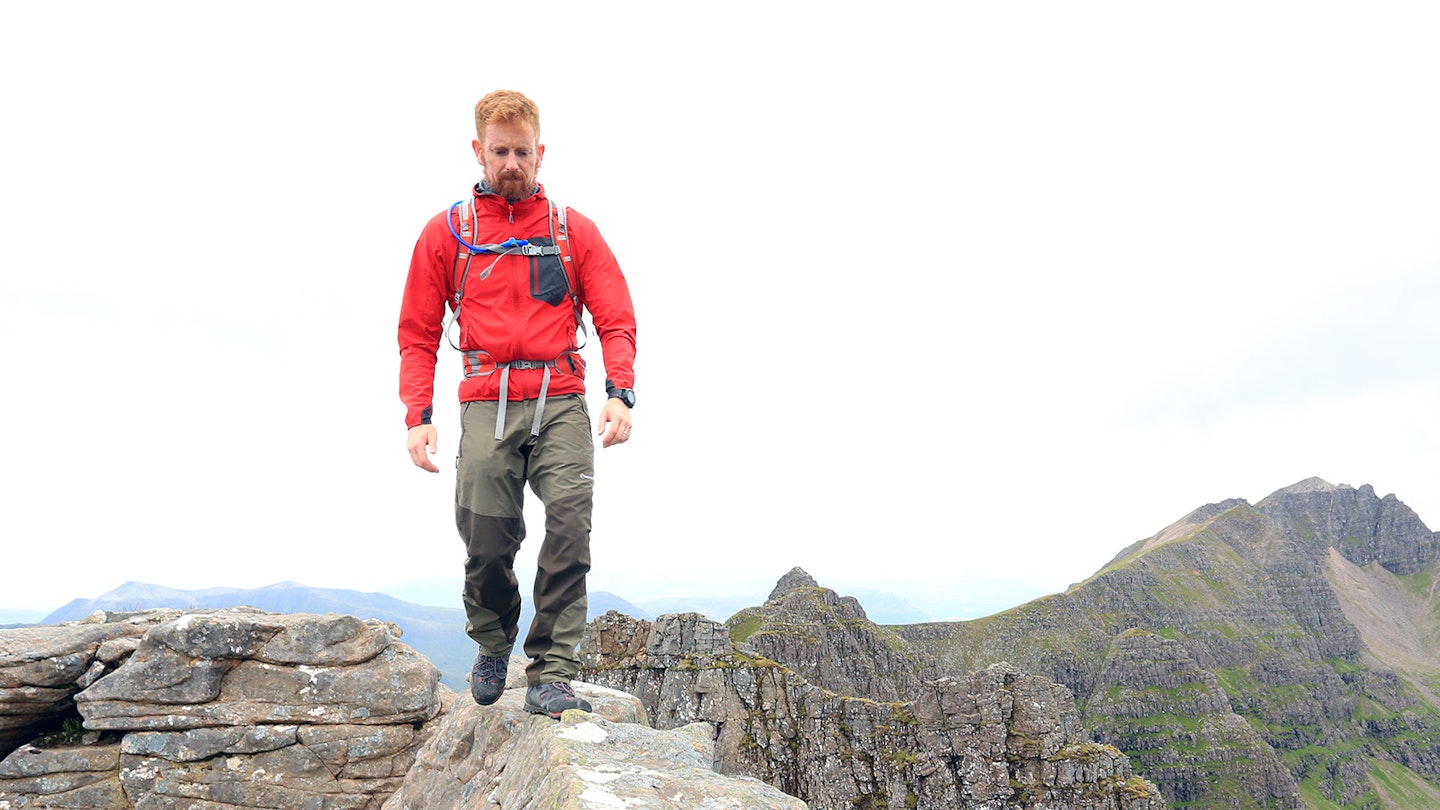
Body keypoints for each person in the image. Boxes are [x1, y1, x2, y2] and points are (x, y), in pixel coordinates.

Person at [397, 89, 637, 718]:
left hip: (559, 395)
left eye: (522, 151)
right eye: (499, 151)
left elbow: (615, 314)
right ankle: (495, 644)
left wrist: (620, 391)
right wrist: (417, 415)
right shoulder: (447, 234)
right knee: (485, 536)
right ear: (478, 151)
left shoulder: (570, 230)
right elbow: (418, 333)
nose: (511, 162)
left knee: (569, 525)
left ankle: (552, 668)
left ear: (540, 152)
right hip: (486, 398)